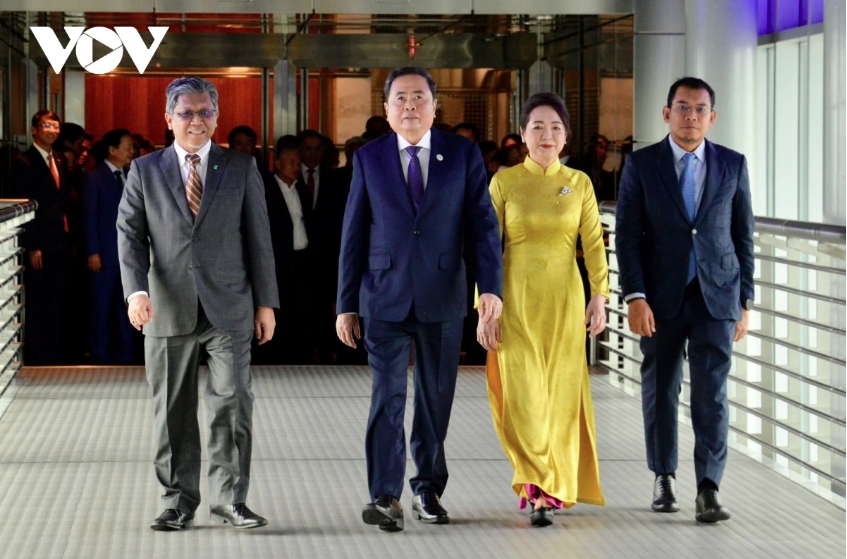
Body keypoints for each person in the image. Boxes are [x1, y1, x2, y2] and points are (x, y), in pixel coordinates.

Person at [336, 66, 503, 532]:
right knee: (387, 396)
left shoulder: (462, 154)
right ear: (386, 109)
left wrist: (490, 287)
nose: (410, 105)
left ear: (435, 106)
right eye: (400, 98)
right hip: (383, 295)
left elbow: (483, 226)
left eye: (419, 97)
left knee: (435, 397)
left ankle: (427, 488)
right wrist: (346, 303)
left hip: (443, 293)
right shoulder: (369, 158)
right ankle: (384, 494)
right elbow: (353, 233)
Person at [117, 76, 279, 531]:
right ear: (169, 119)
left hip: (229, 306)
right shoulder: (145, 169)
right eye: (186, 113)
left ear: (217, 116)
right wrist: (136, 291)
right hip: (166, 306)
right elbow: (129, 236)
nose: (196, 121)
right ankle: (177, 501)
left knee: (233, 403)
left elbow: (259, 238)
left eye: (205, 112)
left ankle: (231, 500)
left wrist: (266, 303)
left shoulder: (241, 167)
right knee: (172, 411)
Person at [615, 77, 754, 523]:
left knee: (711, 394)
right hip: (659, 298)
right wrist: (635, 296)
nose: (690, 116)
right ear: (666, 113)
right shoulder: (641, 165)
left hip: (717, 297)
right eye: (682, 107)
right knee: (661, 388)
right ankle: (664, 476)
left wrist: (745, 301)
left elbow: (743, 235)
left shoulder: (733, 164)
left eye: (699, 109)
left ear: (712, 117)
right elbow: (627, 235)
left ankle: (709, 487)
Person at [476, 93, 609, 527]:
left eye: (555, 127)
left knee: (561, 399)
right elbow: (486, 247)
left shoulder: (580, 183)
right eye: (537, 126)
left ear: (566, 135)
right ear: (522, 134)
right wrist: (484, 307)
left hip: (565, 302)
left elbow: (593, 243)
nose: (546, 135)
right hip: (514, 301)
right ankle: (537, 480)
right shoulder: (504, 182)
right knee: (525, 398)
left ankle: (549, 490)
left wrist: (600, 296)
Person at [14, 110, 73, 365]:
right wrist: (32, 245)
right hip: (40, 243)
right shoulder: (24, 161)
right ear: (34, 130)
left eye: (55, 126)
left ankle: (54, 352)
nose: (52, 131)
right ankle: (38, 355)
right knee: (38, 300)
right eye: (46, 126)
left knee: (58, 299)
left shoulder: (59, 159)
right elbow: (25, 206)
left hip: (61, 240)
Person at [82, 128, 137, 364]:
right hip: (104, 256)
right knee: (101, 308)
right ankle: (100, 355)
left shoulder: (130, 175)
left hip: (128, 256)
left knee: (126, 309)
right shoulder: (94, 177)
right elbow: (88, 217)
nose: (132, 151)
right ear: (112, 150)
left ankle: (126, 355)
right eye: (127, 147)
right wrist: (92, 251)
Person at [259, 139, 315, 364]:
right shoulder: (266, 189)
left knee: (301, 310)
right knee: (278, 310)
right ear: (278, 164)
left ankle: (300, 357)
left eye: (298, 163)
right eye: (291, 162)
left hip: (302, 260)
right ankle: (274, 357)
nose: (296, 167)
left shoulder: (301, 189)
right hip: (278, 262)